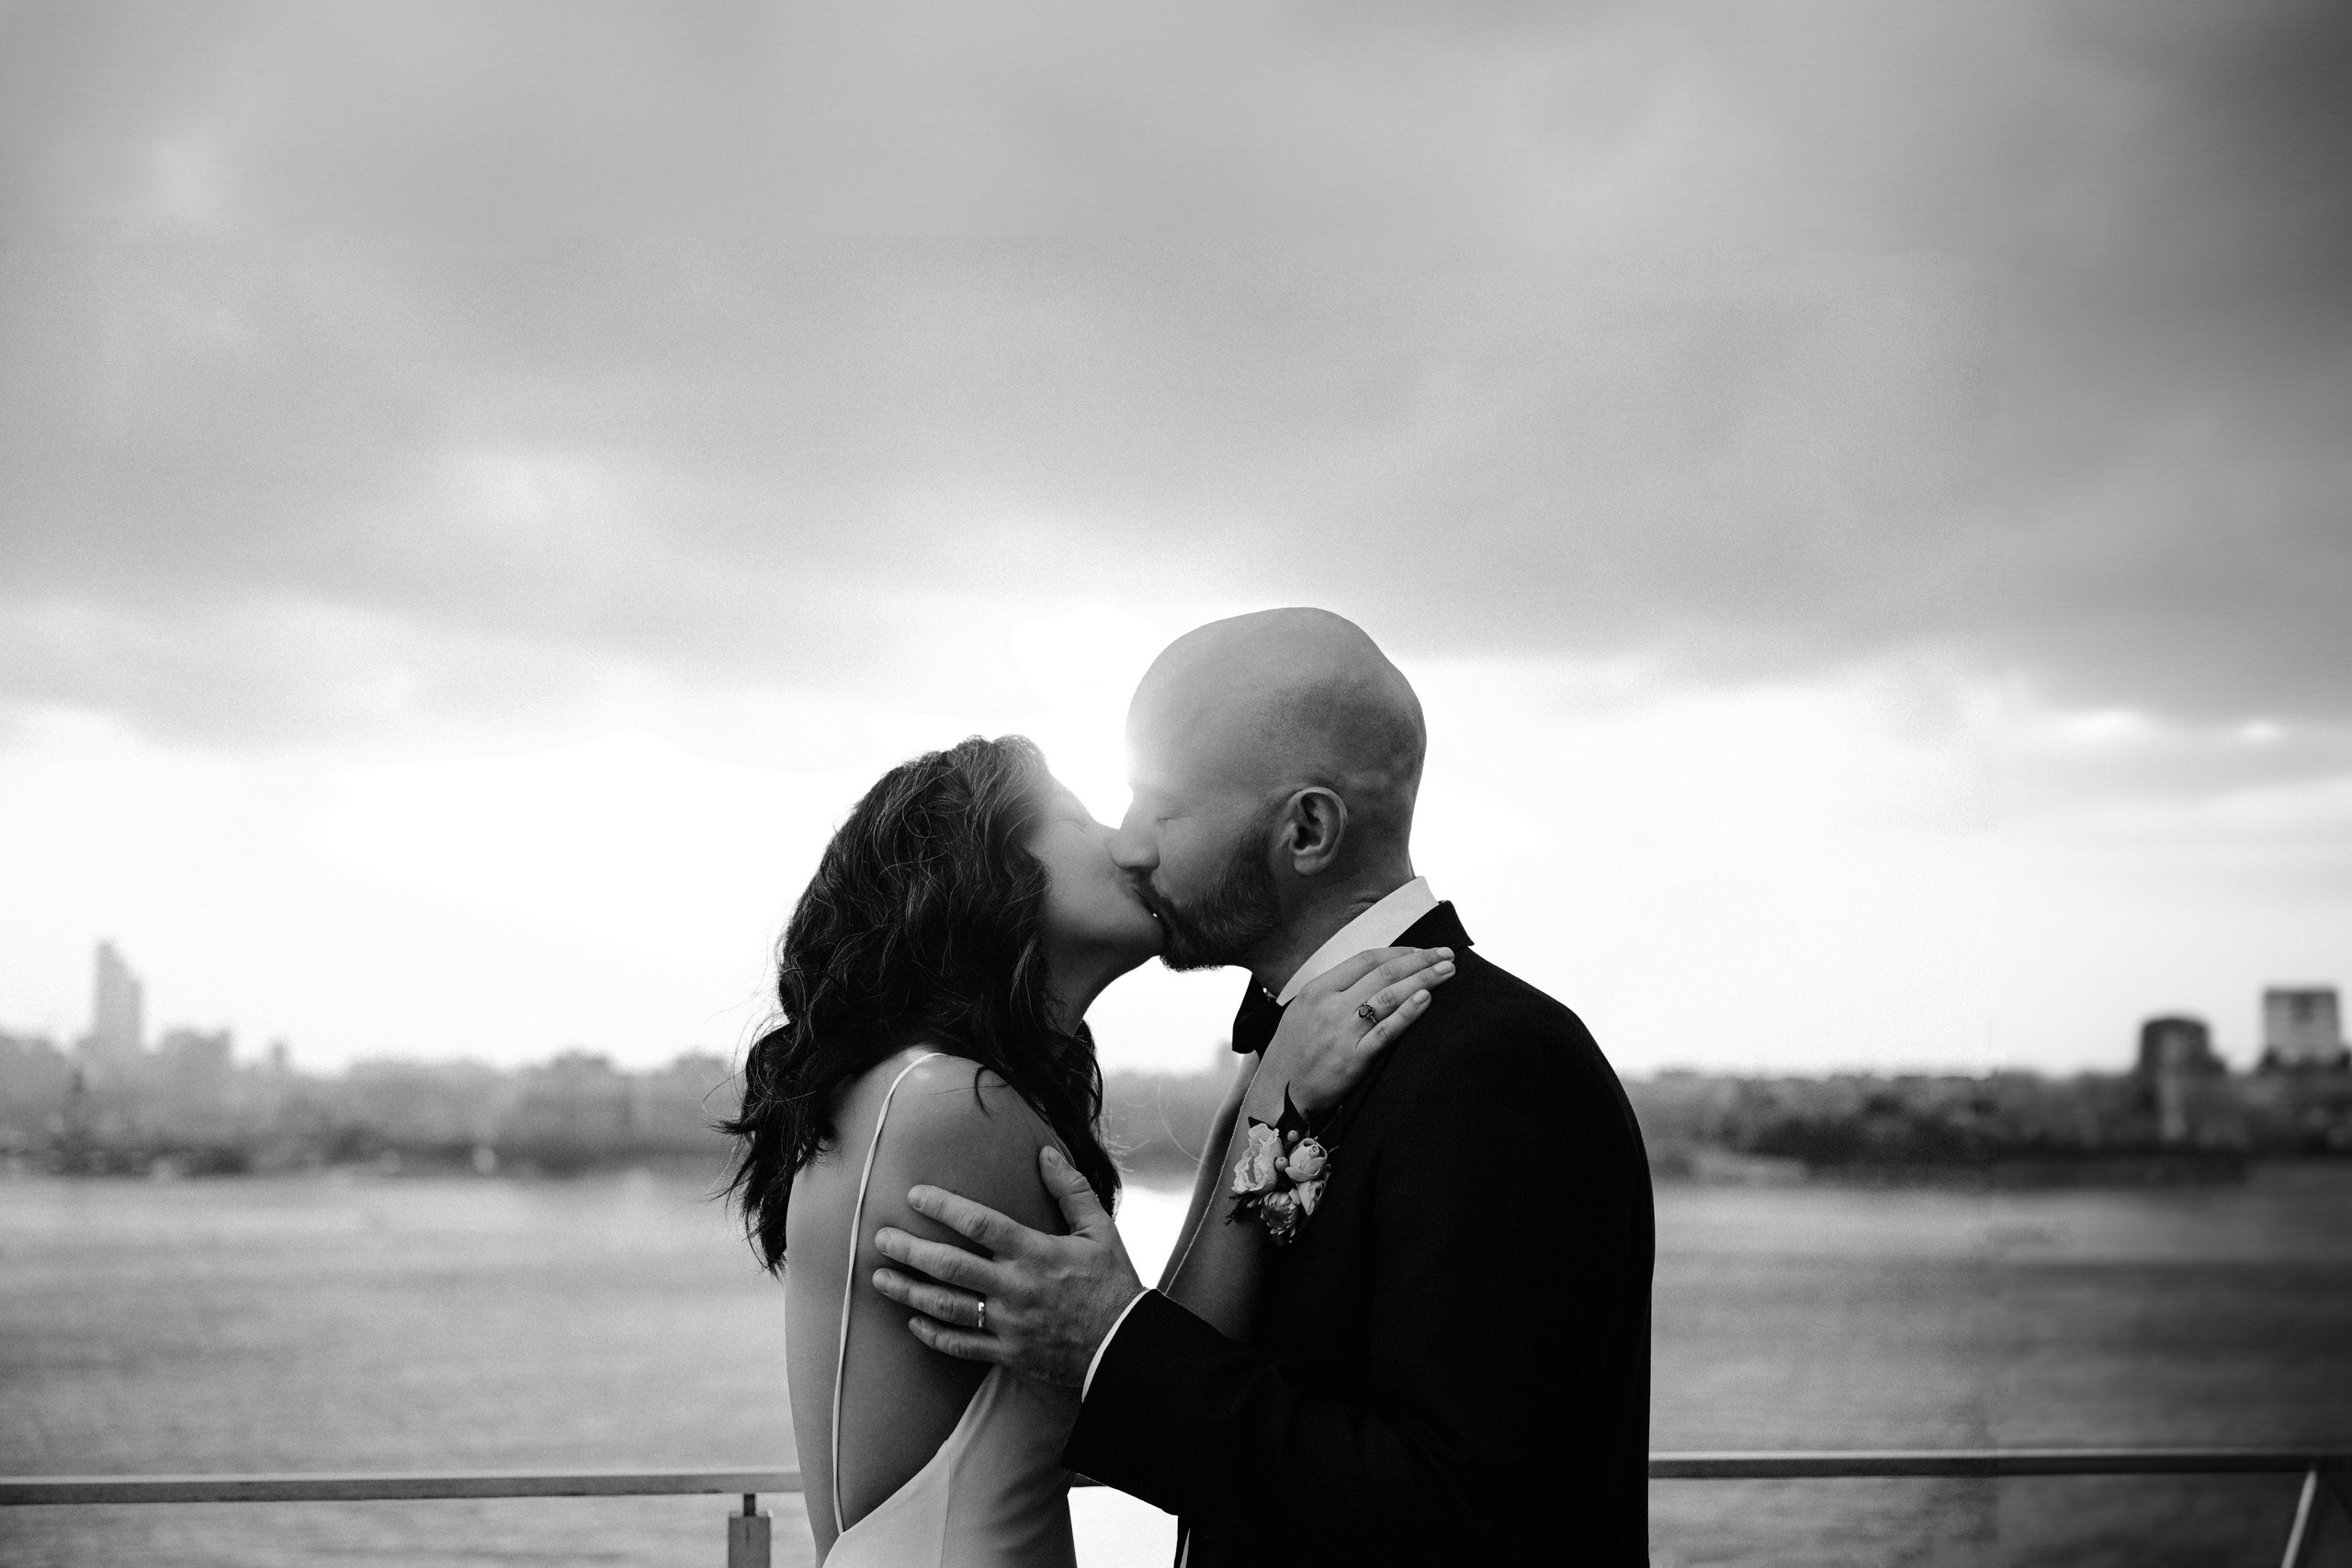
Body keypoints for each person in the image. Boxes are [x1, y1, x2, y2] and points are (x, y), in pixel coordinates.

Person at [870, 608, 1656, 1566]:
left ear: (1307, 830)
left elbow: (1463, 1511)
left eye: (1162, 808)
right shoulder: (1304, 1061)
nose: (1127, 846)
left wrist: (1111, 1342)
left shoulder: (1497, 1067)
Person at [724, 732, 1456, 1567]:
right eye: (1077, 819)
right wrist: (1273, 1110)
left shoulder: (918, 1089)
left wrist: (1247, 1108)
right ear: (983, 866)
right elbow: (1139, 1394)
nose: (1127, 845)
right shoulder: (954, 1109)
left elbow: (1118, 1372)